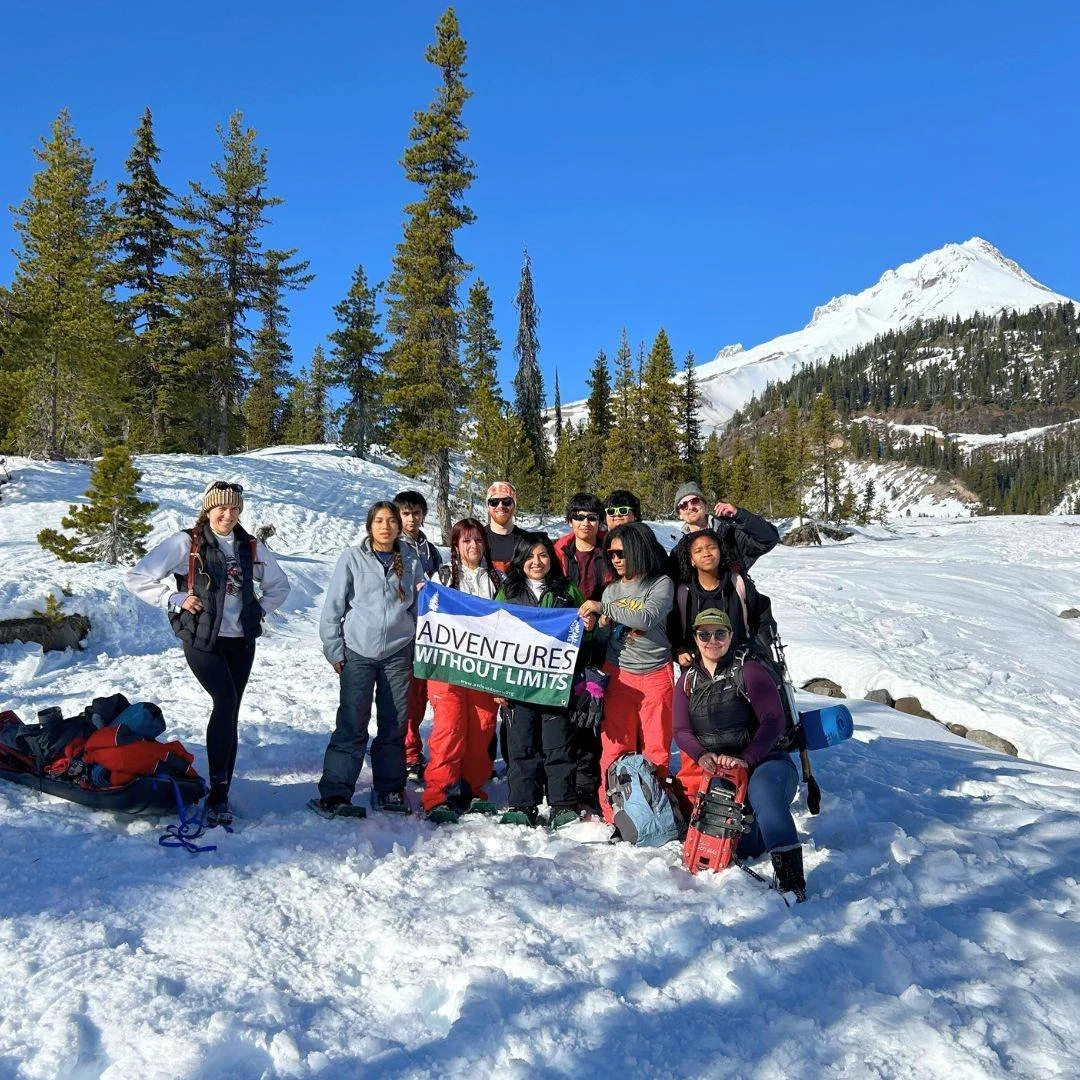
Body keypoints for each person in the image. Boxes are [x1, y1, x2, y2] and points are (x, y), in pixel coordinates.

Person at [125, 480, 290, 826]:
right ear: (208, 509)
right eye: (221, 508)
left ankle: (223, 790)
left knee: (231, 711)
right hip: (202, 639)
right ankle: (216, 794)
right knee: (225, 701)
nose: (227, 515)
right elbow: (138, 577)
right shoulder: (188, 542)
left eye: (234, 509)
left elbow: (279, 585)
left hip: (241, 640)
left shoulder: (251, 546)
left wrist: (259, 610)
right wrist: (175, 599)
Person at [671, 609, 806, 901]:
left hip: (768, 763)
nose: (712, 640)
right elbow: (681, 730)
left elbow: (773, 720)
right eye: (704, 634)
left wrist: (748, 756)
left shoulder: (749, 671)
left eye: (720, 633)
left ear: (731, 636)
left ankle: (792, 883)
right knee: (745, 846)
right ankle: (756, 833)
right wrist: (701, 755)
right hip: (725, 773)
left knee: (765, 792)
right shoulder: (687, 682)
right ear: (695, 639)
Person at [312, 501, 424, 817]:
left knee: (394, 724)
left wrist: (417, 646)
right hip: (358, 653)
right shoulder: (352, 558)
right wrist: (334, 648)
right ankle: (335, 792)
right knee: (351, 722)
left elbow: (419, 609)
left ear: (399, 527)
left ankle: (389, 788)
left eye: (391, 520)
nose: (385, 526)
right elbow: (333, 608)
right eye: (379, 521)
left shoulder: (411, 560)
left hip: (398, 654)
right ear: (369, 526)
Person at [495, 533, 597, 827]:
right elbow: (496, 637)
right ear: (520, 561)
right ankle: (523, 804)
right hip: (519, 683)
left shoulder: (566, 590)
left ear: (551, 559)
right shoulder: (509, 591)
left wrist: (588, 626)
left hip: (556, 684)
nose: (536, 562)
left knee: (558, 745)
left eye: (542, 555)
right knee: (521, 744)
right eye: (529, 556)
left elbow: (584, 632)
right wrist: (499, 684)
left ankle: (562, 803)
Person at [578, 521, 675, 823]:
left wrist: (602, 608)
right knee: (615, 745)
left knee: (656, 747)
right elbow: (610, 636)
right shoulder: (611, 590)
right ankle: (614, 811)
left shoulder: (660, 584)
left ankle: (655, 810)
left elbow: (646, 617)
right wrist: (600, 627)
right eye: (611, 555)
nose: (616, 560)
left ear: (637, 549)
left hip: (656, 673)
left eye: (620, 553)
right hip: (618, 674)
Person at [421, 518, 501, 822]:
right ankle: (438, 794)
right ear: (456, 545)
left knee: (481, 730)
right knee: (449, 730)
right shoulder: (442, 577)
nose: (473, 546)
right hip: (448, 669)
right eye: (466, 541)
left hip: (485, 669)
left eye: (478, 540)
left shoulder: (497, 579)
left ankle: (472, 790)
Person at [553, 492, 612, 814]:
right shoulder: (558, 551)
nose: (585, 523)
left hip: (601, 642)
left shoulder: (611, 551)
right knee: (564, 714)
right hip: (563, 643)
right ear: (570, 521)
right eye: (579, 517)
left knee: (592, 714)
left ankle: (587, 786)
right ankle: (562, 781)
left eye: (591, 517)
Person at [394, 489, 443, 785]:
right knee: (408, 698)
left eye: (416, 513)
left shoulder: (430, 549)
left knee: (427, 693)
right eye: (406, 513)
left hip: (431, 631)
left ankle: (426, 752)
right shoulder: (393, 546)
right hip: (404, 631)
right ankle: (409, 752)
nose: (411, 519)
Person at [669, 528, 758, 663]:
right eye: (698, 551)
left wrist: (752, 648)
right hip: (698, 666)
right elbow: (673, 629)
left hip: (740, 663)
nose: (706, 554)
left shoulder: (737, 583)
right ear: (691, 560)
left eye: (711, 547)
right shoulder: (683, 592)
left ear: (721, 551)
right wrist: (679, 650)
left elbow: (761, 620)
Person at [666, 481, 779, 583]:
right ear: (680, 514)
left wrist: (740, 515)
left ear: (705, 505)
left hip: (735, 601)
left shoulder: (731, 534)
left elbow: (769, 539)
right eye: (683, 505)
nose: (690, 507)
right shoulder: (678, 552)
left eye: (695, 501)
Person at [483, 480, 532, 579]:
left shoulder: (527, 541)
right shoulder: (477, 539)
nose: (500, 506)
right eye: (494, 502)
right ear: (488, 506)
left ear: (514, 506)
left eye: (507, 502)